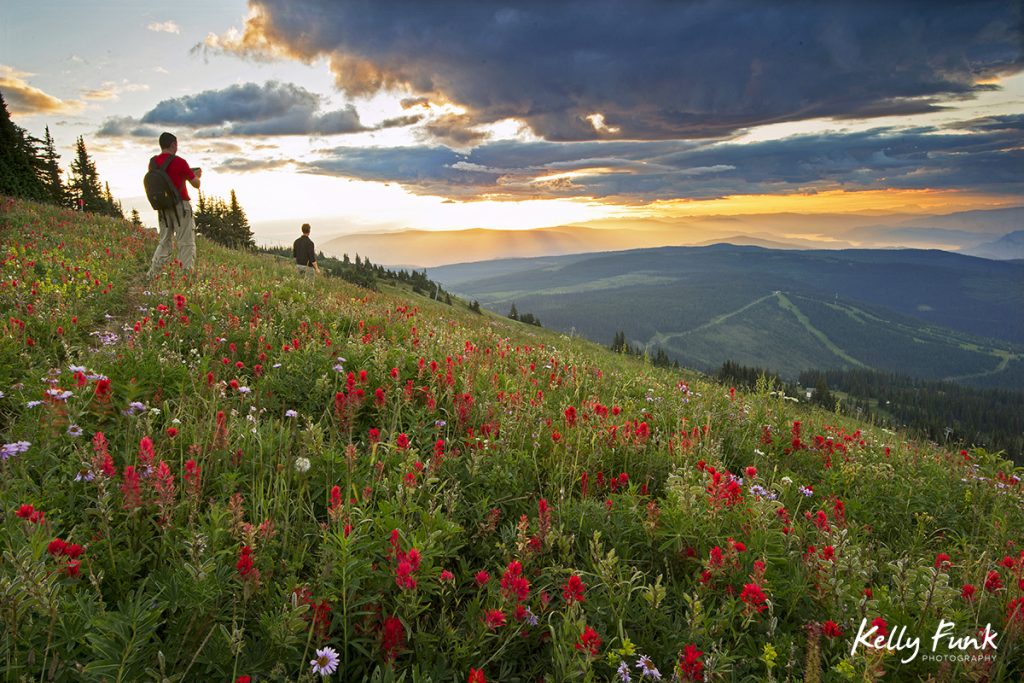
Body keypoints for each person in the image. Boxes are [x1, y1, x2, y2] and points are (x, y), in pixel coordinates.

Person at [146, 132, 201, 278]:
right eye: (176, 144)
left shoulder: (153, 163)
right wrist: (196, 175)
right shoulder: (180, 162)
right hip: (180, 207)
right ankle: (186, 275)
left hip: (162, 208)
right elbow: (196, 184)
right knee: (186, 242)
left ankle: (152, 274)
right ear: (173, 145)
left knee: (164, 241)